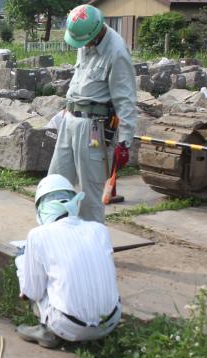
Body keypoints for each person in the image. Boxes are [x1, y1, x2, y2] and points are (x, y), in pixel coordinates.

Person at [48, 4, 136, 223]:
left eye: (84, 41)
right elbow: (81, 79)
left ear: (96, 34)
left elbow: (125, 100)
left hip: (93, 129)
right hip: (70, 119)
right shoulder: (85, 40)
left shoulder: (117, 52)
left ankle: (93, 250)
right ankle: (55, 239)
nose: (82, 46)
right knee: (55, 184)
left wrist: (124, 142)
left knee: (89, 196)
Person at [14, 174, 121, 348]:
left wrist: (21, 262)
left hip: (68, 326)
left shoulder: (38, 235)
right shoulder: (99, 229)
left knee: (33, 277)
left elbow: (32, 293)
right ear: (74, 202)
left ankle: (47, 330)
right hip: (109, 322)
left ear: (41, 208)